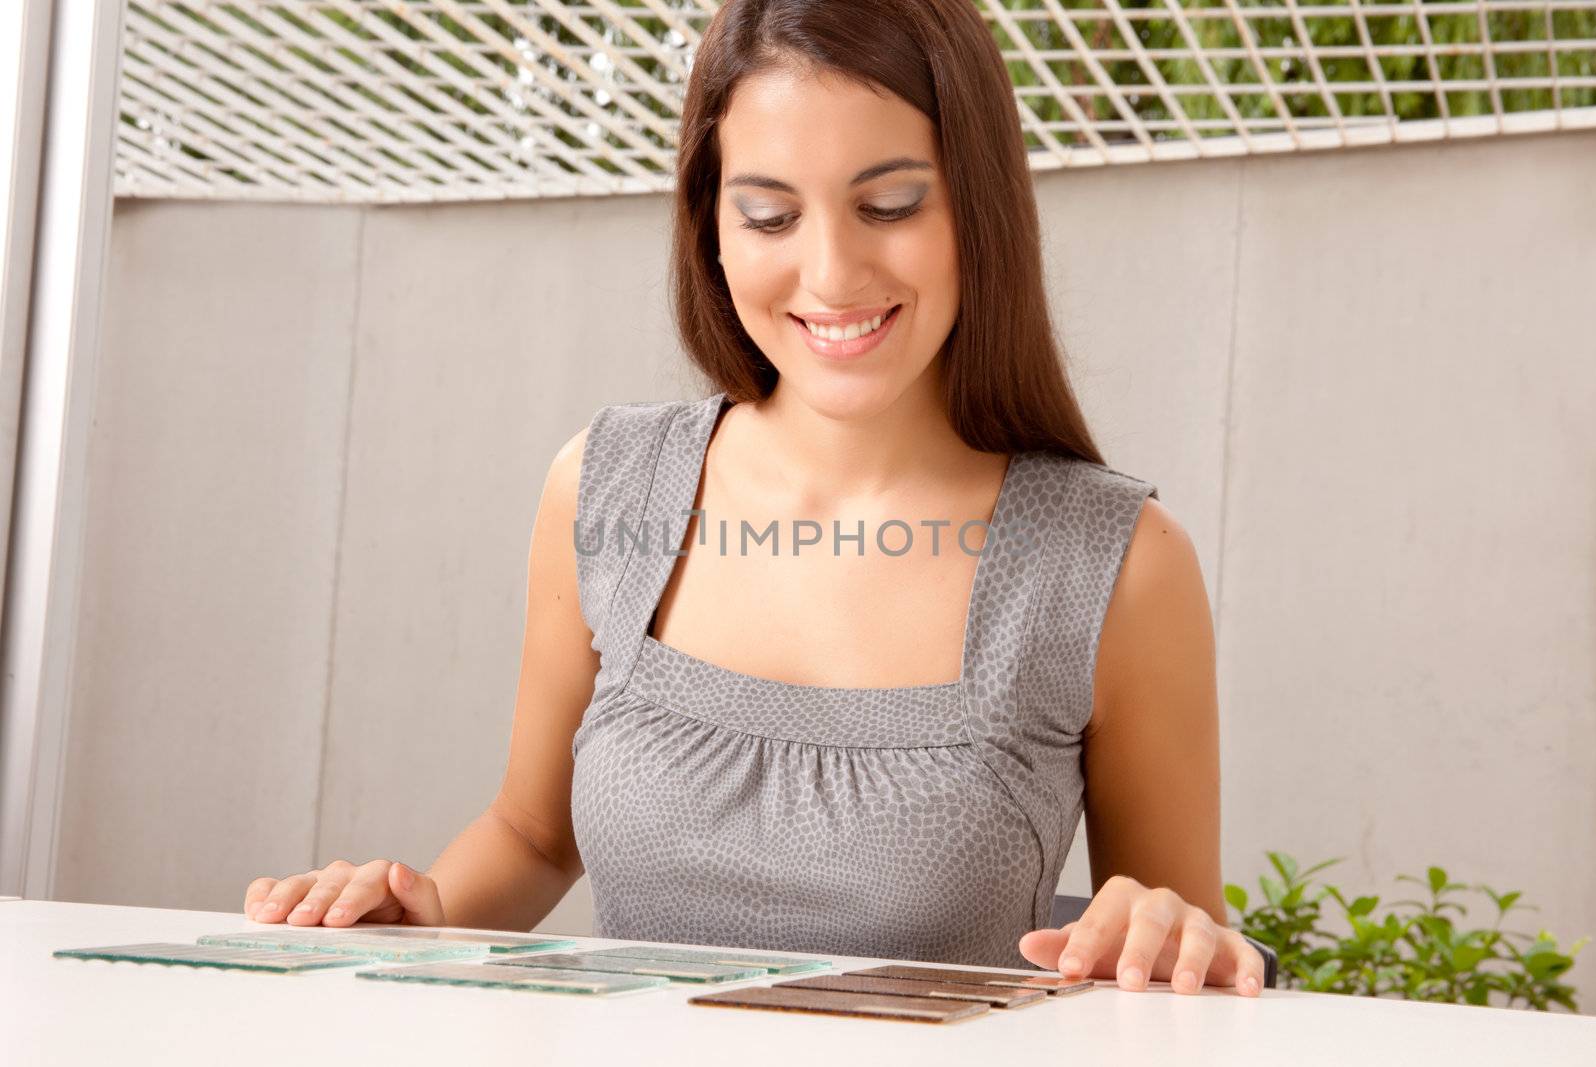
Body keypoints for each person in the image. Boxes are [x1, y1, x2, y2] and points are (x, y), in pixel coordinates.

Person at [242, 0, 1264, 998]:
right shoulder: (606, 486)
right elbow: (532, 833)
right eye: (770, 213)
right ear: (713, 226)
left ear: (976, 206)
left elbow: (1178, 952)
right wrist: (416, 918)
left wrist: (1181, 935)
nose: (830, 271)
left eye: (891, 204)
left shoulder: (1117, 562)